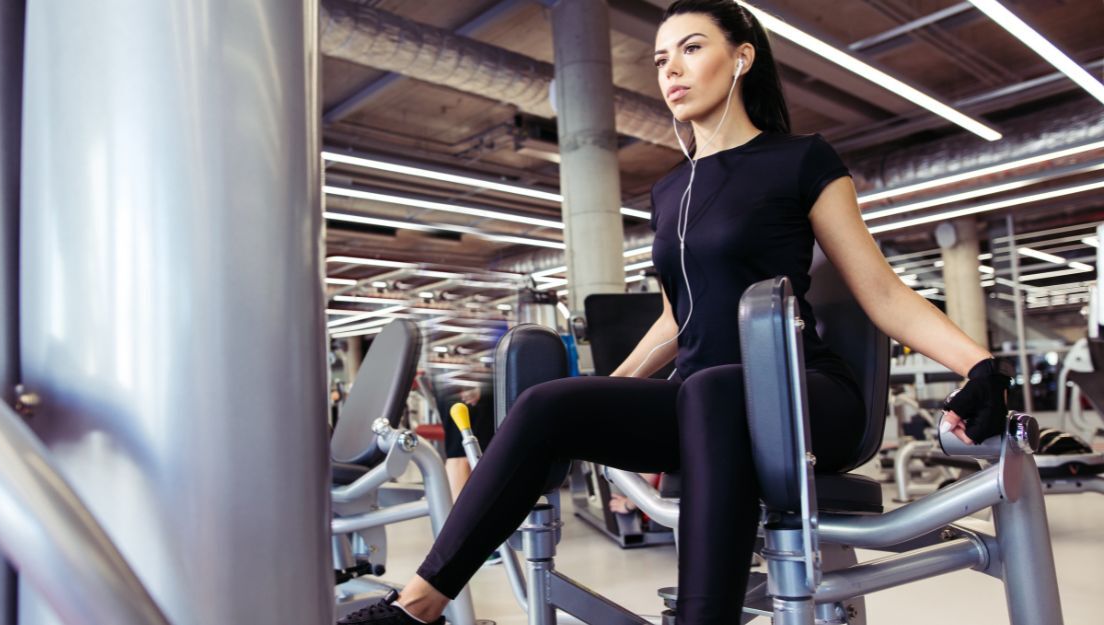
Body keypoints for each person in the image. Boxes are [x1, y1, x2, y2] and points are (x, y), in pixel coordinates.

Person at [338, 1, 1009, 623]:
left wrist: (979, 365)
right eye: (661, 59)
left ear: (741, 57)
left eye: (690, 49)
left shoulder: (800, 160)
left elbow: (881, 292)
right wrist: (607, 394)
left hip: (800, 396)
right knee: (550, 404)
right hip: (702, 398)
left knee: (711, 389)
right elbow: (675, 320)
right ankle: (418, 606)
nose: (671, 71)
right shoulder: (670, 190)